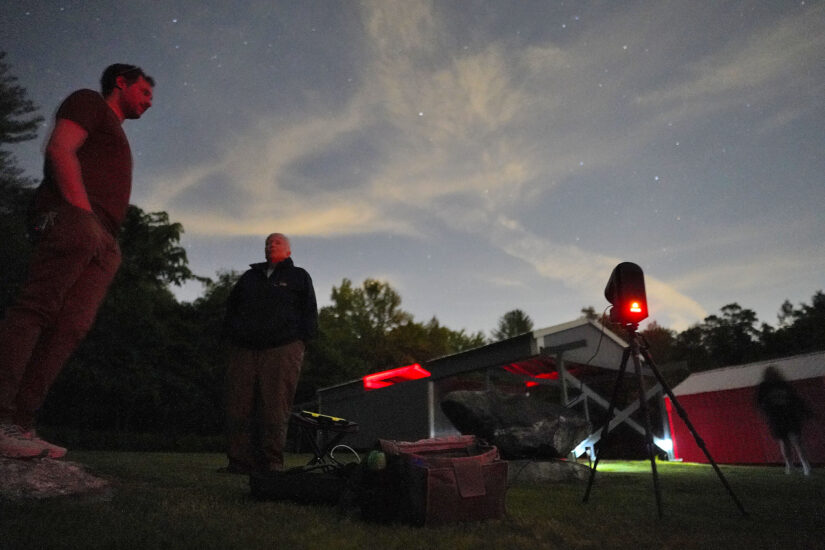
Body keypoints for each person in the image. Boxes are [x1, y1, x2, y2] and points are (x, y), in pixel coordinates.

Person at [0, 64, 154, 459]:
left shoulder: (117, 133)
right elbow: (60, 148)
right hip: (73, 219)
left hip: (103, 238)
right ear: (120, 82)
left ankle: (21, 424)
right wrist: (82, 213)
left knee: (69, 327)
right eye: (144, 92)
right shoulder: (89, 102)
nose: (149, 102)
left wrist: (106, 239)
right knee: (37, 309)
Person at [220, 233, 318, 474]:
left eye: (276, 242)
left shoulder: (299, 276)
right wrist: (232, 336)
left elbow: (310, 311)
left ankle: (271, 463)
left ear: (288, 251)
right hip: (244, 348)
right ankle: (239, 462)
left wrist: (301, 342)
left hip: (282, 348)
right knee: (239, 404)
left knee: (275, 406)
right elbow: (231, 308)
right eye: (267, 243)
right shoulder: (250, 277)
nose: (270, 245)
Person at [755, 365, 813, 476]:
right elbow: (759, 402)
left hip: (790, 417)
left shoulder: (783, 385)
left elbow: (795, 398)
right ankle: (790, 465)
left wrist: (805, 411)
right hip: (777, 418)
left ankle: (805, 466)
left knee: (797, 441)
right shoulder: (764, 387)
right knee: (785, 442)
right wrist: (767, 412)